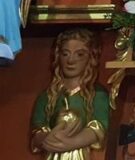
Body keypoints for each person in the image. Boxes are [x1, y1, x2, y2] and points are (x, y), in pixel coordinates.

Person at [30, 29, 110, 160]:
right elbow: (37, 130)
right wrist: (46, 139)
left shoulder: (98, 95)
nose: (71, 60)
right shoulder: (47, 96)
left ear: (91, 57)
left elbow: (99, 127)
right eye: (65, 54)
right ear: (58, 56)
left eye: (80, 54)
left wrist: (72, 142)